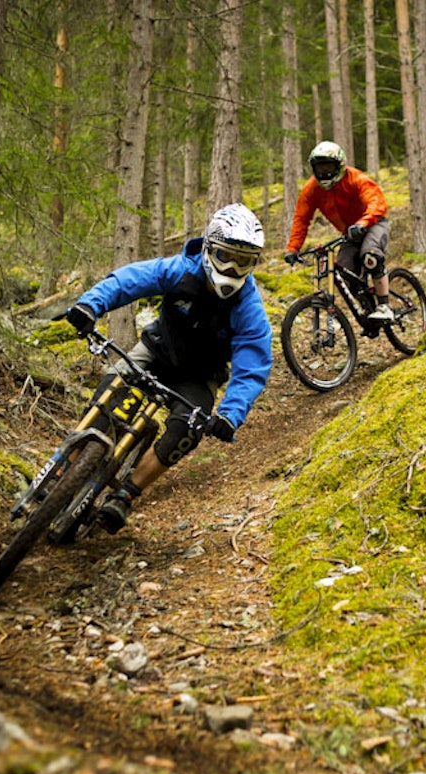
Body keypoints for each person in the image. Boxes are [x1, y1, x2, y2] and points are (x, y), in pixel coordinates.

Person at [64, 203, 272, 533]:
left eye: (243, 261)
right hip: (156, 351)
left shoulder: (249, 306)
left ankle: (126, 495)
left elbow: (253, 362)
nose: (232, 268)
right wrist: (91, 304)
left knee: (186, 431)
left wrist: (230, 414)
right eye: (225, 257)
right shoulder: (181, 270)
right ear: (208, 250)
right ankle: (65, 471)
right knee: (110, 396)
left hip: (200, 376)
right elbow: (130, 280)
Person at [284, 140, 394, 322]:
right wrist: (293, 248)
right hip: (349, 233)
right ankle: (368, 308)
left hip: (373, 224)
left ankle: (385, 305)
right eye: (319, 168)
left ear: (339, 165)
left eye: (328, 167)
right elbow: (301, 219)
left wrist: (364, 223)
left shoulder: (356, 179)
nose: (324, 172)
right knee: (344, 276)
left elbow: (376, 202)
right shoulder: (311, 189)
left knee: (371, 257)